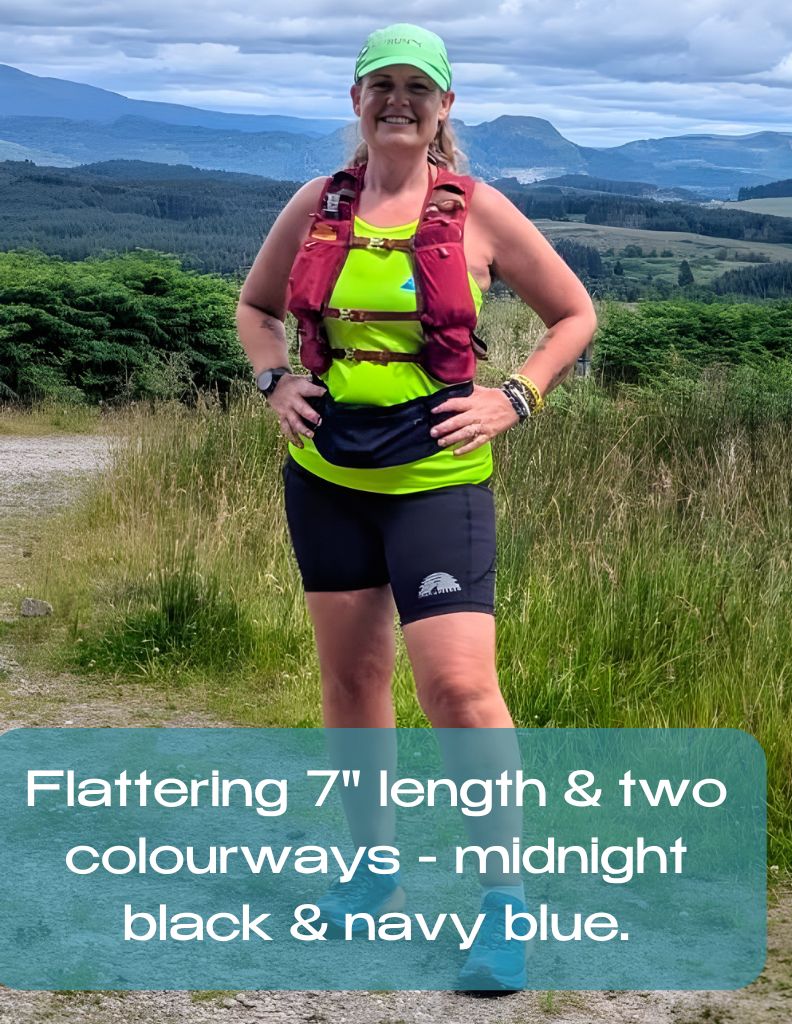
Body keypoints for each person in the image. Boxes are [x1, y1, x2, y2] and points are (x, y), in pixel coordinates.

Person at [236, 23, 597, 990]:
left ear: (445, 106)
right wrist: (274, 384)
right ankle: (372, 870)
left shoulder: (477, 209)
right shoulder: (317, 204)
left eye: (417, 88)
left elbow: (575, 313)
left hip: (436, 480)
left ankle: (504, 903)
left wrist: (514, 397)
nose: (398, 100)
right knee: (353, 683)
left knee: (459, 691)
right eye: (381, 85)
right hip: (327, 477)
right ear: (356, 99)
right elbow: (256, 307)